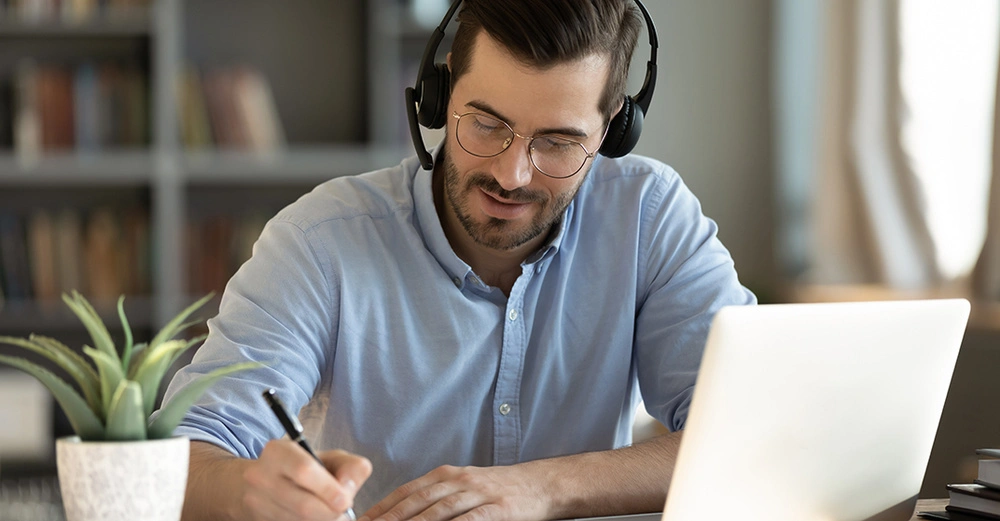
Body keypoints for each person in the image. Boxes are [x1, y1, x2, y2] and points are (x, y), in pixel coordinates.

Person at [159, 1, 756, 520]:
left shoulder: (650, 218)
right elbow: (184, 454)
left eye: (558, 143)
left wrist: (542, 489)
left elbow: (752, 431)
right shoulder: (320, 241)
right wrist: (250, 494)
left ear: (611, 132)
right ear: (440, 98)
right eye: (486, 124)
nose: (510, 173)